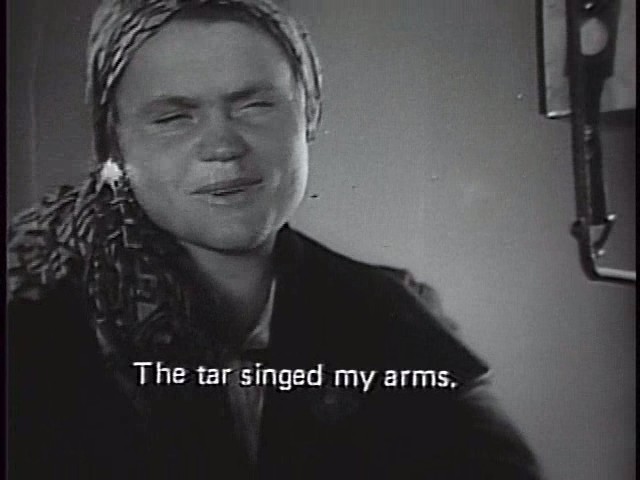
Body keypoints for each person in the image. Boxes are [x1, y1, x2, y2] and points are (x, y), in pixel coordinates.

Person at [8, 1, 542, 478]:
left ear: (308, 114)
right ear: (114, 144)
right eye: (173, 117)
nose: (222, 145)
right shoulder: (33, 329)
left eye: (254, 105)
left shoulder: (391, 313)